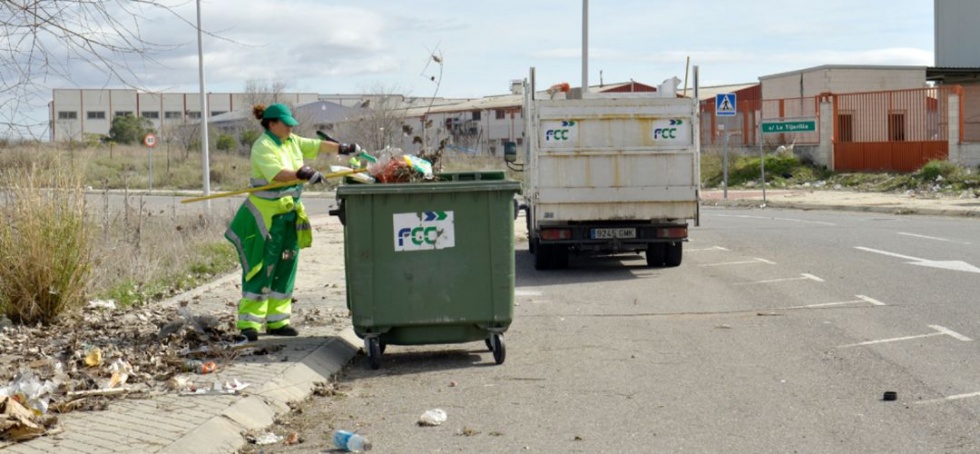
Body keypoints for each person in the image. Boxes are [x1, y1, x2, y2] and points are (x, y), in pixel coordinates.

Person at [224, 103, 361, 342]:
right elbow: (277, 174)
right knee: (261, 267)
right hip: (266, 218)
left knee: (286, 265)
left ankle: (278, 321)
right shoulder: (263, 146)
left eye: (291, 124)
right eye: (286, 124)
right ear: (272, 123)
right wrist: (303, 173)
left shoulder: (292, 141)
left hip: (289, 215)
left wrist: (344, 147)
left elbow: (317, 145)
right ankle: (249, 323)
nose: (290, 127)